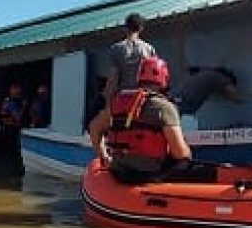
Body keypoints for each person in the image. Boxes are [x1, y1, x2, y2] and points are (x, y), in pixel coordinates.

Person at [90, 56, 215, 184]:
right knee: (193, 166)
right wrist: (188, 154)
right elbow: (180, 153)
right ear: (164, 79)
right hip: (147, 173)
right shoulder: (165, 107)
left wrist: (103, 155)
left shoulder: (119, 103)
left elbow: (94, 127)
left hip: (119, 170)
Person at [103, 12, 156, 105]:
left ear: (126, 28)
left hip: (123, 98)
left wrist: (107, 100)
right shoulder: (149, 49)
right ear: (141, 29)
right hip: (142, 99)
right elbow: (153, 78)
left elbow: (113, 78)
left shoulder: (116, 49)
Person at [171, 66, 246, 130]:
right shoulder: (221, 78)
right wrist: (247, 99)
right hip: (183, 102)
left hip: (174, 99)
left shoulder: (204, 74)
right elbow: (234, 95)